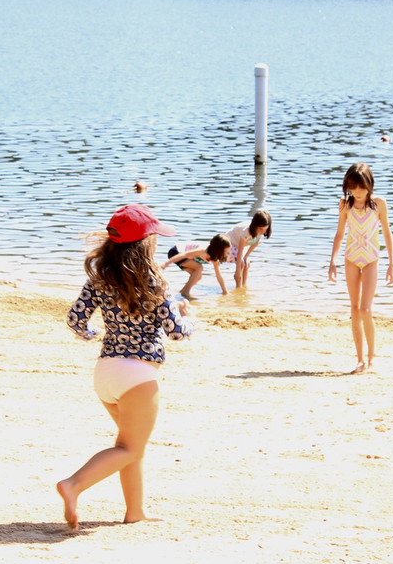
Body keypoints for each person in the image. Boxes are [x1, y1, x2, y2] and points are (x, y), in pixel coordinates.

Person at [58, 203, 195, 530]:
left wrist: (92, 334)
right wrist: (191, 320)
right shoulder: (156, 282)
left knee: (131, 446)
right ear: (145, 244)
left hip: (106, 371)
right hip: (137, 376)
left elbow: (75, 319)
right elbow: (176, 331)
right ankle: (73, 484)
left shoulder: (99, 278)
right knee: (130, 446)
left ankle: (135, 513)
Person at [328, 163, 393, 374]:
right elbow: (340, 234)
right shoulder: (344, 205)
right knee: (354, 309)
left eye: (362, 187)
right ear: (348, 185)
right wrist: (333, 261)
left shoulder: (378, 204)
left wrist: (392, 264)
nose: (358, 191)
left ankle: (371, 358)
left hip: (371, 260)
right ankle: (360, 360)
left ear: (369, 185)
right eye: (354, 187)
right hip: (350, 259)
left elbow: (387, 233)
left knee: (366, 309)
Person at [161, 234, 231, 298]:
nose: (227, 254)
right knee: (199, 267)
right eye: (225, 252)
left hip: (184, 258)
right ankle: (186, 292)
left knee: (198, 277)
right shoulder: (203, 250)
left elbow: (218, 275)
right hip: (175, 253)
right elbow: (183, 255)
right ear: (218, 250)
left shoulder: (215, 259)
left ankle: (182, 292)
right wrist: (165, 264)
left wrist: (225, 291)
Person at [224, 210, 272, 288]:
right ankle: (238, 287)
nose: (263, 232)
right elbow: (240, 250)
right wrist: (237, 271)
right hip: (228, 244)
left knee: (246, 264)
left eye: (265, 229)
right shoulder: (246, 231)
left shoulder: (259, 232)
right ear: (255, 226)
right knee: (241, 264)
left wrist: (246, 256)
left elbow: (255, 243)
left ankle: (244, 285)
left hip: (238, 246)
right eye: (261, 229)